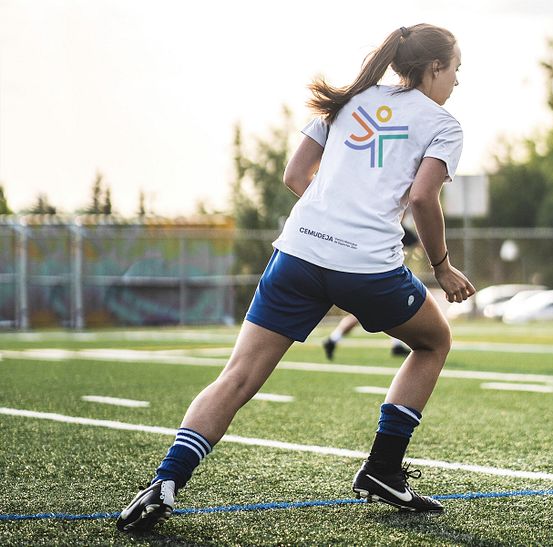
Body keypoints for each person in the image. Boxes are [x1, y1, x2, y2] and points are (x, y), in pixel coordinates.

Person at [116, 23, 474, 533]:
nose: (458, 81)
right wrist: (441, 266)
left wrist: (330, 216)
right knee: (433, 342)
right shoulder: (444, 123)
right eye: (456, 68)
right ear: (435, 68)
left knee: (236, 377)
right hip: (366, 268)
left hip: (296, 256)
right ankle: (383, 468)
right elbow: (421, 198)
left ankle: (164, 483)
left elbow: (293, 176)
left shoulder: (346, 99)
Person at [323, 227, 418, 359]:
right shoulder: (388, 226)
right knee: (377, 311)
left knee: (379, 311)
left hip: (366, 275)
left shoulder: (381, 226)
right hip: (376, 277)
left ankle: (334, 339)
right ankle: (333, 339)